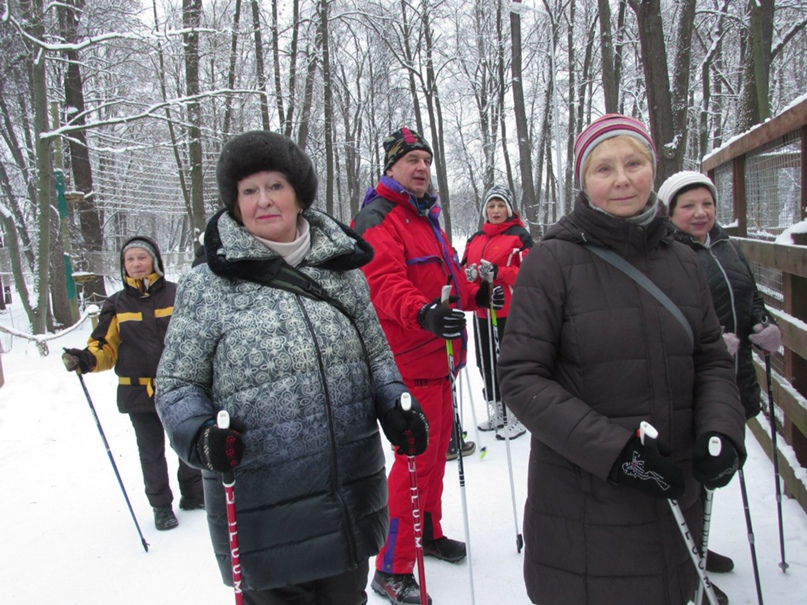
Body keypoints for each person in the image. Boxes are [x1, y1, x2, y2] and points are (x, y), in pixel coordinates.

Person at [155, 130, 428, 604]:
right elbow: (177, 385)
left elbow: (377, 357)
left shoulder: (343, 271)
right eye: (249, 190)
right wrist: (201, 436)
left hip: (348, 505)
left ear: (299, 195)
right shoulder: (205, 286)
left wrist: (395, 406)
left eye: (275, 186)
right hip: (265, 520)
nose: (263, 200)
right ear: (235, 204)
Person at [497, 114, 747, 605]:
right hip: (585, 503)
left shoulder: (683, 260)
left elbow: (712, 360)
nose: (622, 179)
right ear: (584, 182)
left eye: (633, 163)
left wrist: (721, 428)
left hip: (676, 492)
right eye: (604, 168)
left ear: (653, 167)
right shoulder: (552, 262)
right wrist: (617, 455)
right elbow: (521, 377)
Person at [352, 127, 503, 605]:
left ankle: (428, 532)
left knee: (436, 456)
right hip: (408, 361)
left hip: (441, 360)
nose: (421, 168)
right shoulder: (379, 217)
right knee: (414, 461)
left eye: (426, 160)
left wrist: (476, 295)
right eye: (411, 160)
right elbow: (382, 283)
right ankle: (392, 567)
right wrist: (423, 313)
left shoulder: (425, 215)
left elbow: (447, 277)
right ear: (391, 166)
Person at [658, 170, 783, 575]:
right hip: (692, 382)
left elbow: (750, 295)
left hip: (734, 377)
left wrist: (762, 323)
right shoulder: (664, 255)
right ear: (669, 212)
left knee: (714, 466)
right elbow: (660, 321)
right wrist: (708, 341)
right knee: (689, 472)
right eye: (688, 206)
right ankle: (684, 557)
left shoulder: (727, 247)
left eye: (707, 204)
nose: (700, 213)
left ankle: (697, 543)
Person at [62, 236, 203, 531]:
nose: (136, 264)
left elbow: (196, 334)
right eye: (130, 259)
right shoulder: (116, 303)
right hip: (138, 390)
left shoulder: (177, 294)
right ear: (123, 265)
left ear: (154, 261)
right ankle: (161, 506)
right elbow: (105, 346)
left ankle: (193, 494)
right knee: (150, 452)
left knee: (186, 441)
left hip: (179, 386)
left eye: (142, 257)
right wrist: (86, 359)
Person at [461, 184, 533, 440]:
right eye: (491, 205)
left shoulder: (519, 236)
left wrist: (499, 272)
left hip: (510, 312)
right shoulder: (475, 238)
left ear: (509, 209)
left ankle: (518, 413)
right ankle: (498, 408)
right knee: (485, 363)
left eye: (501, 205)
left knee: (509, 363)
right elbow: (463, 271)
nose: (495, 210)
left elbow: (531, 272)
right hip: (482, 312)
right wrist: (469, 274)